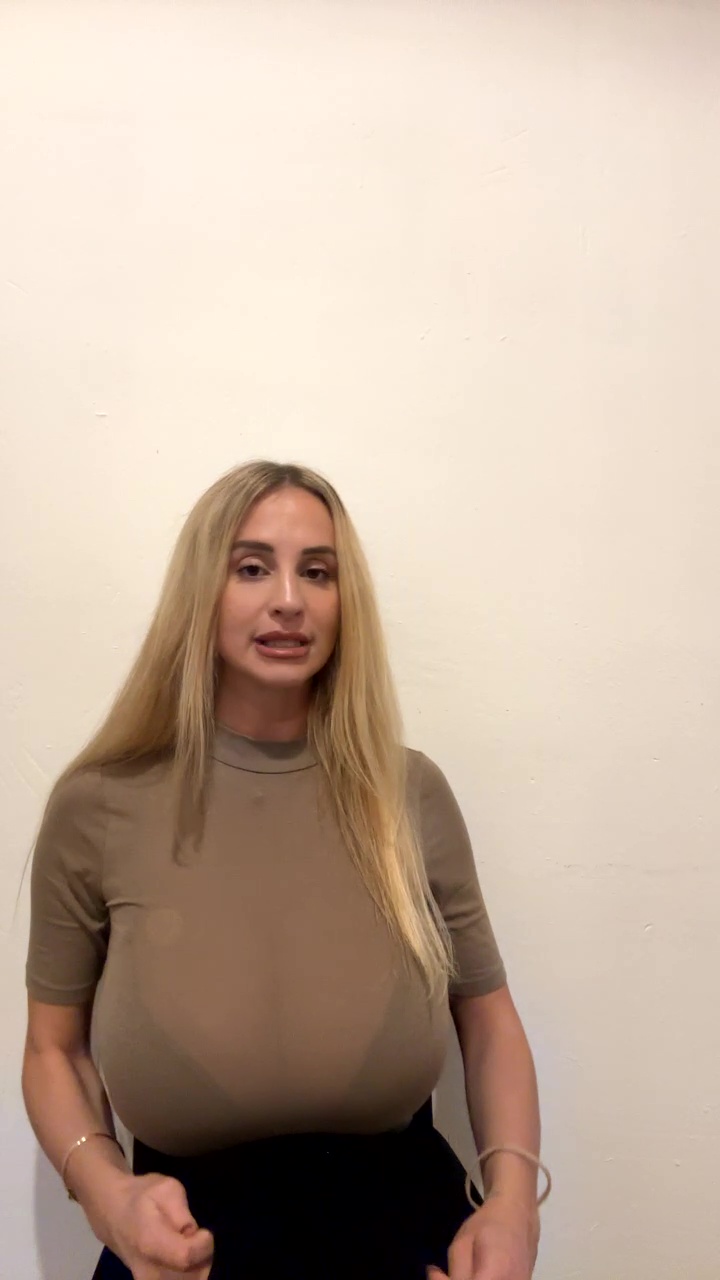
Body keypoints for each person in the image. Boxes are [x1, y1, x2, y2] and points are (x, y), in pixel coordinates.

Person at [22, 460, 548, 1280]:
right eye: (252, 567)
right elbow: (52, 1050)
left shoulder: (408, 793)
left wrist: (512, 1205)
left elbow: (487, 1018)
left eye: (318, 572)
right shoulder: (100, 804)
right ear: (202, 590)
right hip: (182, 1247)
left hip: (407, 1234)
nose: (290, 600)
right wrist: (107, 1195)